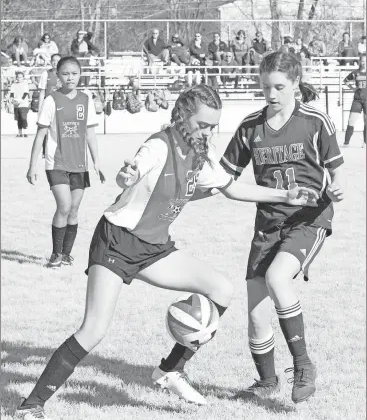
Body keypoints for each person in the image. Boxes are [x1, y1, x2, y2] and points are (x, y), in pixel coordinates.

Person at [16, 84, 318, 419]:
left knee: (222, 289)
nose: (208, 131)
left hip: (154, 247)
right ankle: (31, 405)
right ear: (183, 116)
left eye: (213, 126)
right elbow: (129, 174)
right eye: (202, 124)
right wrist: (125, 175)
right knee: (94, 329)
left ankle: (170, 370)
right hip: (117, 241)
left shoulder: (200, 155)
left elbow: (232, 189)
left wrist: (284, 196)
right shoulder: (158, 147)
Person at [216, 51, 344, 404]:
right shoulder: (249, 127)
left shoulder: (316, 121)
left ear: (295, 85)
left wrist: (336, 186)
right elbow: (226, 181)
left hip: (309, 219)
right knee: (256, 310)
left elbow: (337, 171)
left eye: (279, 87)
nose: (270, 94)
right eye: (265, 87)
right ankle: (266, 380)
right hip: (267, 223)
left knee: (276, 279)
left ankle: (303, 366)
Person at [26, 56, 104, 269]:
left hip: (79, 164)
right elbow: (40, 134)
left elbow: (90, 133)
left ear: (80, 74)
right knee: (64, 205)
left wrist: (96, 161)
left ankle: (66, 254)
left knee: (74, 210)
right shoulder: (51, 100)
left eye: (74, 73)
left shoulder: (85, 99)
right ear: (58, 76)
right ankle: (55, 254)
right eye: (65, 73)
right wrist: (32, 166)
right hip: (56, 164)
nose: (70, 77)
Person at [38, 53, 62, 158]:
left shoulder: (65, 73)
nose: (55, 62)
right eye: (53, 60)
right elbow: (42, 92)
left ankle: (61, 150)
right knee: (45, 129)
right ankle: (44, 151)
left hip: (61, 104)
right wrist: (40, 108)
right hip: (48, 105)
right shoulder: (46, 74)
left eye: (57, 60)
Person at [342, 53, 366, 148]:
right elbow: (345, 80)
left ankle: (365, 143)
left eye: (365, 61)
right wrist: (352, 88)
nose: (364, 63)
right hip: (357, 100)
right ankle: (346, 143)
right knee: (351, 121)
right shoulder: (355, 72)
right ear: (360, 61)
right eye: (362, 61)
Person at [10, 71, 30, 137]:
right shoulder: (13, 85)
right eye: (18, 77)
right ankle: (20, 133)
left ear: (23, 78)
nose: (19, 78)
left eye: (20, 77)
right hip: (16, 105)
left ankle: (25, 132)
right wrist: (12, 99)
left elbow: (25, 93)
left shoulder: (25, 84)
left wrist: (21, 100)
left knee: (23, 118)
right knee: (18, 119)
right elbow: (12, 93)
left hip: (23, 104)